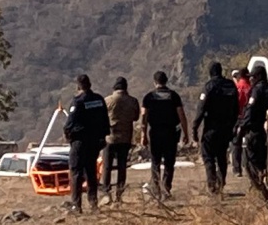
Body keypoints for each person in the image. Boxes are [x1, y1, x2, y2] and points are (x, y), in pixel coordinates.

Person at [64, 74, 110, 213]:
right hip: (95, 141)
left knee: (76, 172)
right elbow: (105, 121)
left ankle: (76, 206)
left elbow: (69, 124)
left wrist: (68, 137)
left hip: (80, 141)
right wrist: (102, 137)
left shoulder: (78, 102)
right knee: (91, 171)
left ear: (78, 86)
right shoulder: (99, 100)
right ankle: (93, 203)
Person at [140, 71, 190, 200]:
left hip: (155, 132)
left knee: (155, 161)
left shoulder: (149, 97)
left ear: (155, 82)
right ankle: (166, 188)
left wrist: (143, 135)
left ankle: (156, 189)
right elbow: (181, 115)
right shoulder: (174, 96)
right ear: (166, 81)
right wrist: (186, 133)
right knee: (169, 162)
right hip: (171, 132)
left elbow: (144, 117)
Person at [193, 62, 239, 195]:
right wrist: (233, 125)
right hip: (226, 128)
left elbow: (201, 108)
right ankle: (221, 182)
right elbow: (236, 108)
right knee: (221, 156)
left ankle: (212, 185)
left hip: (211, 128)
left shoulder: (209, 86)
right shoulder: (231, 85)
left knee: (208, 157)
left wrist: (195, 128)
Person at [102, 76, 140, 203]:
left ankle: (106, 192)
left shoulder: (107, 101)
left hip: (110, 138)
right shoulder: (133, 101)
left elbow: (100, 117)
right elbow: (135, 117)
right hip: (125, 138)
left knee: (107, 166)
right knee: (122, 166)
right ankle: (120, 192)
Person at [238, 65, 268, 187]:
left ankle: (258, 184)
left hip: (255, 130)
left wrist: (242, 126)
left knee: (252, 159)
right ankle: (267, 181)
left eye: (253, 77)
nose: (251, 80)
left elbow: (250, 110)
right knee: (266, 158)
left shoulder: (257, 90)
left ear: (259, 77)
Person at [231, 68, 251, 178]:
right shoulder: (250, 87)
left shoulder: (239, 87)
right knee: (250, 143)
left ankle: (237, 169)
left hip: (239, 118)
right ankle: (249, 167)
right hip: (250, 118)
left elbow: (236, 103)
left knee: (236, 144)